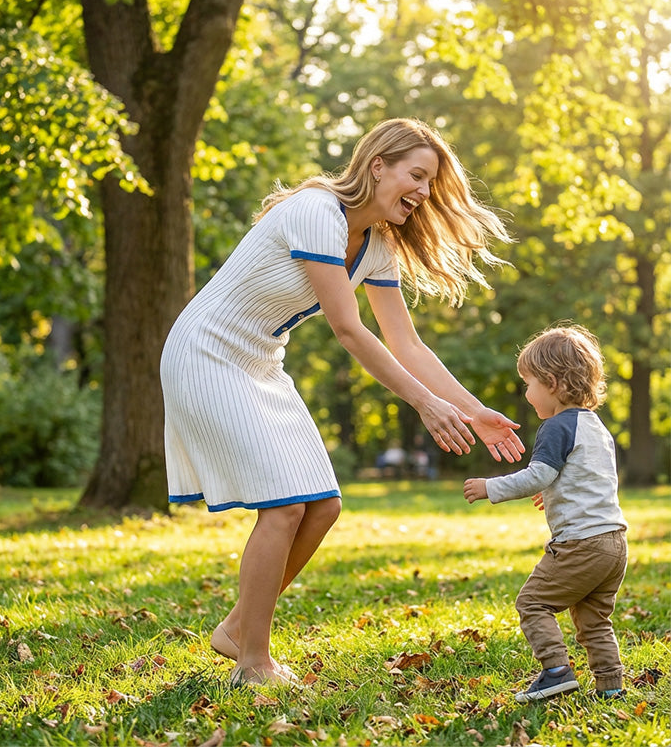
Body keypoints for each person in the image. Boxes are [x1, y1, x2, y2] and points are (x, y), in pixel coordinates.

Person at [161, 117, 525, 687]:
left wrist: (471, 410)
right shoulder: (317, 211)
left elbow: (406, 342)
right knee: (282, 508)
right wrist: (424, 405)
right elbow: (349, 329)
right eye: (417, 175)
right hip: (206, 352)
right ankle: (253, 661)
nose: (424, 193)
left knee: (322, 506)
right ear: (377, 165)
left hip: (260, 359)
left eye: (431, 183)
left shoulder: (378, 246)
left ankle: (238, 627)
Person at [463, 324, 628, 702]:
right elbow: (589, 479)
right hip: (614, 543)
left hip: (581, 545)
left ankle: (555, 670)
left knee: (533, 603)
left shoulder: (556, 427)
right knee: (594, 620)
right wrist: (555, 491)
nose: (526, 392)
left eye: (528, 382)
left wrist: (491, 488)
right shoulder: (596, 427)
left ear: (551, 382)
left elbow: (538, 473)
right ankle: (611, 687)